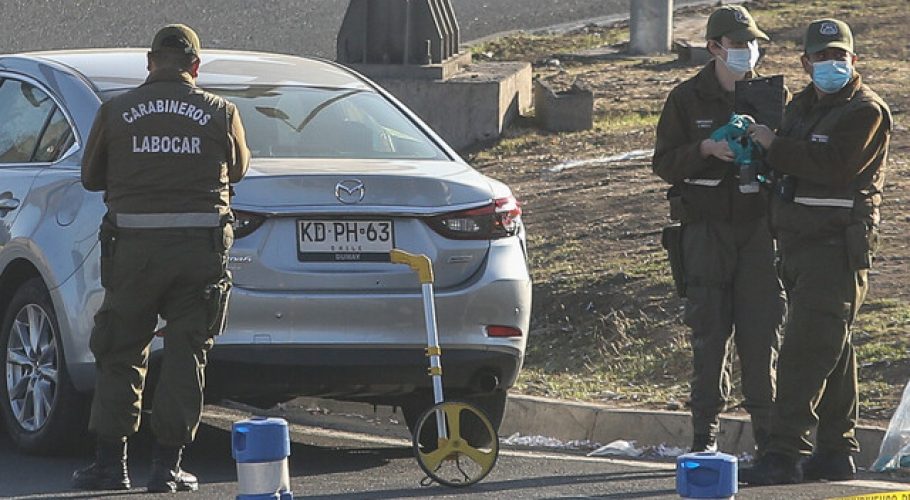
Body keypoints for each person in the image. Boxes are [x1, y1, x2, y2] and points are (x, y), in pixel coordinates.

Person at [73, 24, 250, 493]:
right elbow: (239, 169)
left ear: (150, 63)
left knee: (120, 350)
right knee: (186, 354)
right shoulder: (221, 111)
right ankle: (167, 469)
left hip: (133, 253)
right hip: (200, 255)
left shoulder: (116, 111)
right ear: (195, 67)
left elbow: (91, 177)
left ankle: (111, 465)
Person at [740, 18, 892, 485]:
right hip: (797, 246)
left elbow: (834, 167)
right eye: (822, 56)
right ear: (806, 62)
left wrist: (774, 144)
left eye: (839, 56)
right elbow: (786, 162)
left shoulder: (866, 110)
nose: (831, 64)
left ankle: (782, 453)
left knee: (804, 353)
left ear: (854, 60)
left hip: (835, 249)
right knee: (834, 351)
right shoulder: (802, 106)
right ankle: (835, 450)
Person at [652, 5, 786, 456]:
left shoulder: (769, 96)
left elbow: (790, 158)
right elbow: (663, 162)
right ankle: (703, 436)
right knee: (709, 335)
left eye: (753, 44)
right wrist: (707, 148)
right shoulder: (687, 98)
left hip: (759, 231)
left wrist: (767, 149)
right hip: (706, 231)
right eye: (737, 44)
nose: (748, 53)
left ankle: (768, 442)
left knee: (761, 333)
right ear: (714, 48)